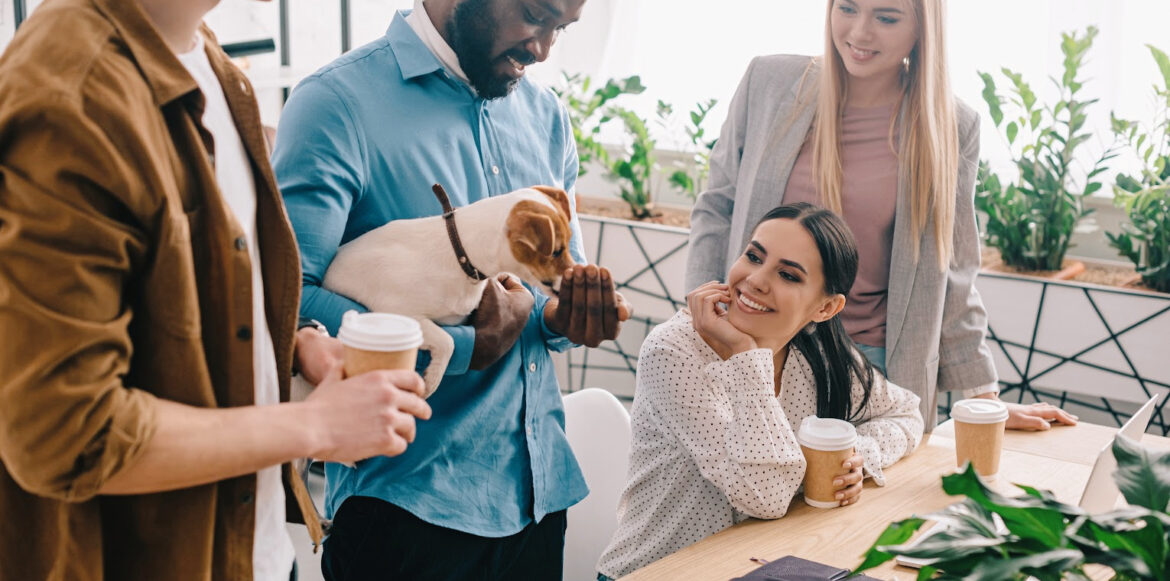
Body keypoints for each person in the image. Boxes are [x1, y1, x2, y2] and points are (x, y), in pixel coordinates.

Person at [0, 0, 433, 579]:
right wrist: (315, 426)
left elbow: (187, 296)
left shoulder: (205, 57)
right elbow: (67, 433)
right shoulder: (74, 93)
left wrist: (294, 347)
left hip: (250, 552)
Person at [272, 0, 628, 578]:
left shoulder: (547, 116)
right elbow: (287, 302)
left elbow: (544, 300)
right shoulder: (336, 105)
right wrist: (464, 347)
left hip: (540, 498)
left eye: (560, 29)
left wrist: (567, 318)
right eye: (536, 14)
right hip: (405, 509)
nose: (541, 48)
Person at [685, 0, 1077, 431]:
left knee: (859, 496)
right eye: (848, 8)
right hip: (753, 347)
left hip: (868, 371)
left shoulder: (950, 124)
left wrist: (985, 401)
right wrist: (696, 328)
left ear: (921, 29)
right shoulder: (769, 82)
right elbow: (716, 210)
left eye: (886, 17)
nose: (860, 32)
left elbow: (954, 269)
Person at [597, 203, 924, 579]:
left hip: (759, 565)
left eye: (787, 275)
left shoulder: (816, 350)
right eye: (754, 256)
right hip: (659, 571)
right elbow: (765, 495)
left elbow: (905, 414)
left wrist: (854, 459)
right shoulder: (674, 351)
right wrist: (743, 355)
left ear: (826, 307)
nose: (755, 280)